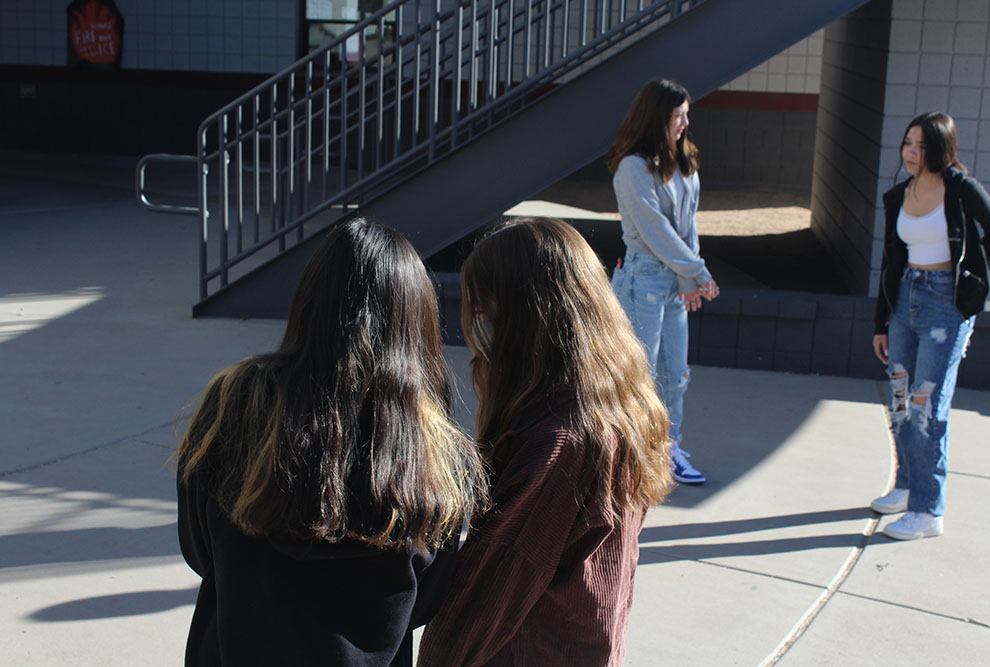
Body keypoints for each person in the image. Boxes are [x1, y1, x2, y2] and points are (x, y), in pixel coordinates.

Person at [174, 219, 487, 665]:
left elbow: (198, 547)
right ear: (417, 322)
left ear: (310, 301)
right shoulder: (438, 449)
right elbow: (428, 599)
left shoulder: (235, 400)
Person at [417, 218, 674, 666]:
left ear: (530, 319)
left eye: (487, 314)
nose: (483, 336)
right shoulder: (618, 403)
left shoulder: (560, 440)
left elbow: (489, 588)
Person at [871, 112, 990, 540]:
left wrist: (975, 282)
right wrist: (882, 323)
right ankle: (908, 485)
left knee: (928, 407)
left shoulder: (959, 189)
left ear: (940, 149)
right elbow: (891, 263)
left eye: (921, 146)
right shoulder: (899, 196)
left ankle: (929, 510)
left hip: (946, 307)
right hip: (906, 302)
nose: (910, 152)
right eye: (908, 143)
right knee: (902, 400)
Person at [606, 78, 720, 485]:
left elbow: (687, 228)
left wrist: (690, 276)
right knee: (640, 373)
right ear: (657, 117)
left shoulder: (683, 161)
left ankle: (668, 449)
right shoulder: (634, 167)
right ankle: (631, 457)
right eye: (677, 115)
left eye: (687, 115)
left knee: (676, 373)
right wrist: (698, 272)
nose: (685, 124)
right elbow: (656, 231)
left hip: (673, 280)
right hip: (643, 280)